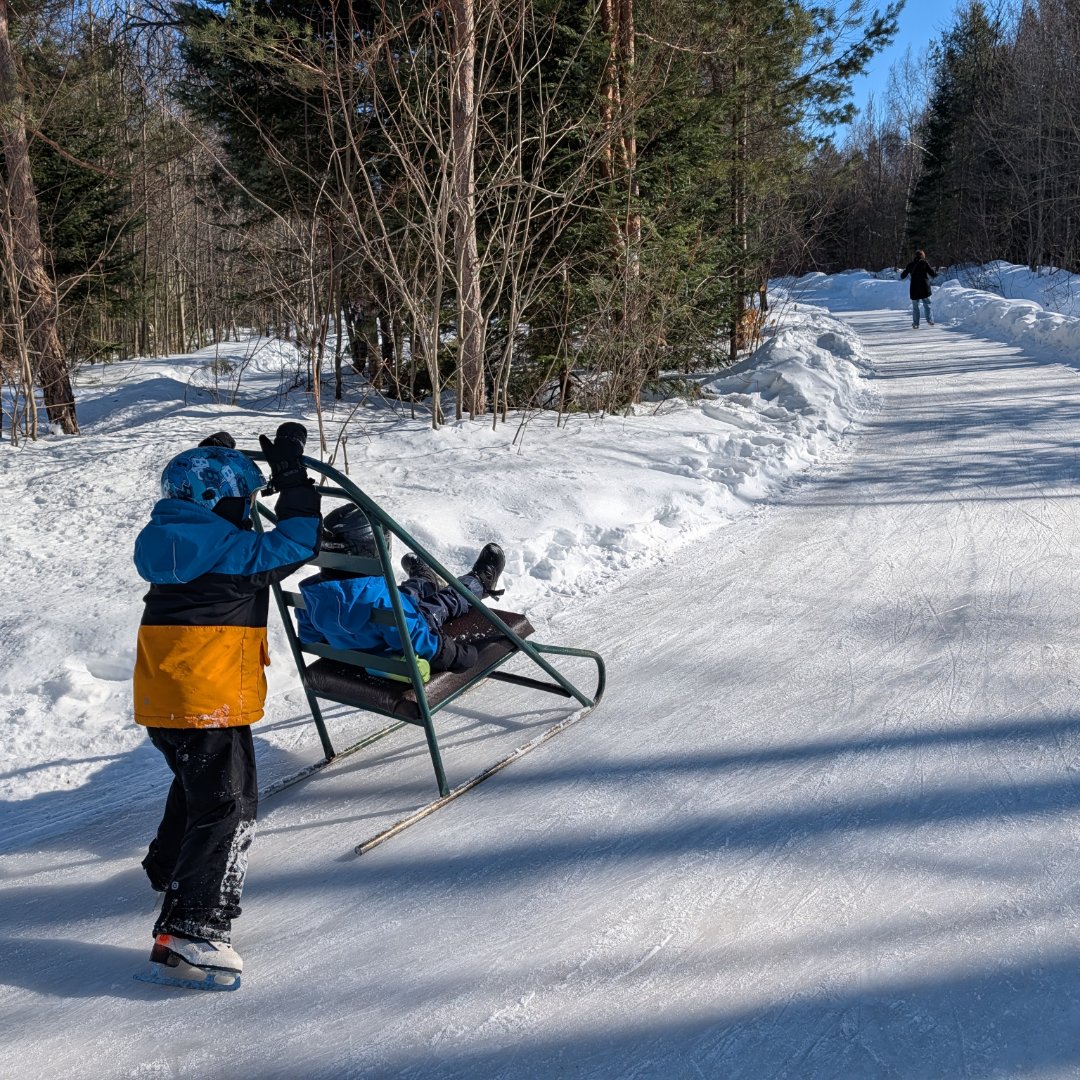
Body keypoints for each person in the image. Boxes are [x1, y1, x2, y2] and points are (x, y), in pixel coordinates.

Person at [132, 425, 320, 986]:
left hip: (163, 697)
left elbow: (213, 510)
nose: (247, 513)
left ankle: (169, 868)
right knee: (229, 806)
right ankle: (193, 926)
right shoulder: (234, 552)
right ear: (221, 503)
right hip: (209, 700)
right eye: (242, 502)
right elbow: (300, 539)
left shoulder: (164, 543)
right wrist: (291, 478)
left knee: (198, 786)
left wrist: (215, 460)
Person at [296, 504, 506, 678]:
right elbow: (420, 642)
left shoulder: (312, 595)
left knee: (402, 597)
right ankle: (478, 582)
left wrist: (347, 641)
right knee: (443, 602)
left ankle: (423, 580)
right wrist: (459, 656)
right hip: (394, 648)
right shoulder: (383, 600)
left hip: (371, 630)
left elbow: (310, 637)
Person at [901, 250, 937, 328]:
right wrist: (935, 271)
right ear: (923, 256)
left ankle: (916, 323)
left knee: (915, 307)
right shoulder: (925, 263)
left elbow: (902, 276)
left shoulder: (910, 265)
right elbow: (933, 274)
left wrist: (907, 270)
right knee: (927, 304)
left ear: (915, 256)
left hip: (914, 288)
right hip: (925, 287)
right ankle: (930, 320)